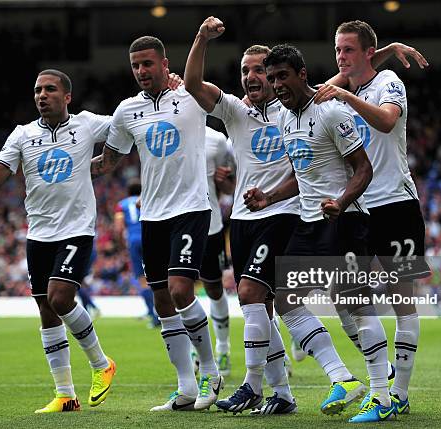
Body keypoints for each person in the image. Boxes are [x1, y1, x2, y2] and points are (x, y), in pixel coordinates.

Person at [0, 69, 116, 413]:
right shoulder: (22, 134)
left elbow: (127, 123)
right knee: (46, 310)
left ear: (67, 97)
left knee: (60, 298)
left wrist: (170, 94)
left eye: (50, 89)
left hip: (76, 229)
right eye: (37, 90)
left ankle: (100, 363)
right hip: (39, 234)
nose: (41, 95)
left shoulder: (88, 124)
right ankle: (65, 395)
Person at [244, 43, 396, 423]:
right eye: (273, 77)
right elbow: (301, 175)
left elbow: (363, 169)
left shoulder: (332, 111)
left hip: (344, 219)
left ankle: (381, 396)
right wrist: (268, 196)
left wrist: (341, 202)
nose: (277, 84)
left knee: (355, 303)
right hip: (309, 221)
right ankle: (342, 378)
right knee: (285, 300)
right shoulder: (284, 119)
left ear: (302, 75)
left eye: (283, 76)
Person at [314, 20, 431, 417]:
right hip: (358, 207)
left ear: (367, 52)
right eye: (337, 50)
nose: (340, 57)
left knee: (402, 301)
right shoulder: (351, 86)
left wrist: (348, 90)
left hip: (396, 203)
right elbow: (317, 96)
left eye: (348, 50)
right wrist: (351, 75)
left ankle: (394, 394)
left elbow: (386, 120)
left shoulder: (387, 81)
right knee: (344, 296)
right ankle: (380, 383)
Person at [185, 18, 301, 415]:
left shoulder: (294, 110)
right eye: (245, 71)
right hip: (245, 218)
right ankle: (282, 393)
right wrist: (201, 39)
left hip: (284, 211)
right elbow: (193, 85)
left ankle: (252, 385)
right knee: (259, 306)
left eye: (259, 70)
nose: (252, 77)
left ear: (274, 74)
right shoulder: (235, 110)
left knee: (252, 295)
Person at [104, 36, 223, 411]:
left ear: (163, 63)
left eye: (147, 64)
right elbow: (108, 159)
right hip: (153, 215)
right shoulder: (126, 111)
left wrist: (202, 38)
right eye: (135, 65)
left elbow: (203, 84)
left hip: (190, 208)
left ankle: (211, 371)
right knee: (161, 300)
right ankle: (185, 387)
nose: (141, 71)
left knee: (181, 289)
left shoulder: (189, 96)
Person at [192, 126, 233, 376]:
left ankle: (223, 348)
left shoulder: (217, 141)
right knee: (179, 288)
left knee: (214, 288)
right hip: (174, 224)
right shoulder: (164, 129)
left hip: (210, 225)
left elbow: (228, 187)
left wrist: (224, 180)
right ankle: (195, 349)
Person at [115, 178, 160, 327]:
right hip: (151, 238)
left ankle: (153, 316)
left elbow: (119, 228)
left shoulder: (122, 205)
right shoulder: (146, 200)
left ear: (127, 192)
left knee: (142, 279)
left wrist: (122, 246)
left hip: (134, 241)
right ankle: (164, 313)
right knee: (158, 275)